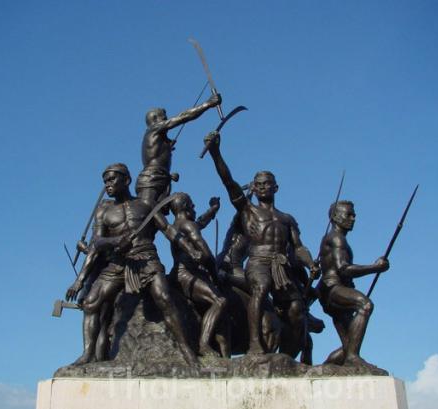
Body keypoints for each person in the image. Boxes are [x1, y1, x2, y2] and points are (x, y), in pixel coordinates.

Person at [65, 163, 200, 366]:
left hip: (146, 258)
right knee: (91, 302)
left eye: (112, 179)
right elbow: (97, 243)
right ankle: (87, 354)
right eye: (105, 181)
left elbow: (168, 230)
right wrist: (80, 280)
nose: (108, 184)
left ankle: (186, 350)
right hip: (118, 262)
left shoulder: (145, 205)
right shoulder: (103, 211)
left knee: (164, 298)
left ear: (126, 180)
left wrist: (190, 249)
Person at [204, 130, 320, 355]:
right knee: (261, 287)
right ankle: (254, 343)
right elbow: (229, 182)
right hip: (258, 262)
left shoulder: (287, 219)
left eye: (268, 183)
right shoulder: (248, 211)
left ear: (276, 187)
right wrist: (216, 153)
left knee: (296, 307)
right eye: (259, 184)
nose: (264, 186)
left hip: (281, 266)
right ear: (254, 189)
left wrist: (310, 263)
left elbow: (298, 247)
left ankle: (288, 354)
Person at [318, 200, 389, 366]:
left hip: (331, 291)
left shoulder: (336, 238)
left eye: (354, 215)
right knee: (365, 305)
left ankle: (324, 369)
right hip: (333, 289)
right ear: (335, 217)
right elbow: (343, 269)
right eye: (348, 215)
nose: (353, 218)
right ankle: (353, 358)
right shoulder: (336, 238)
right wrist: (375, 267)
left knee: (349, 344)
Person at [168, 193, 228, 357]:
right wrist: (215, 277)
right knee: (220, 301)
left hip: (179, 273)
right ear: (185, 207)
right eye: (192, 205)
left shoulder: (177, 225)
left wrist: (213, 210)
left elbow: (200, 222)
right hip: (186, 274)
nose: (194, 208)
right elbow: (206, 254)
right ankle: (204, 344)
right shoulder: (188, 226)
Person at [137, 93, 221, 204]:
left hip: (161, 178)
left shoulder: (156, 136)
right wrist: (207, 104)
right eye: (164, 118)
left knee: (159, 211)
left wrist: (166, 150)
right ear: (155, 119)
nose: (166, 120)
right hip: (151, 179)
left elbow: (156, 154)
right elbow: (183, 117)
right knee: (147, 208)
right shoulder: (154, 128)